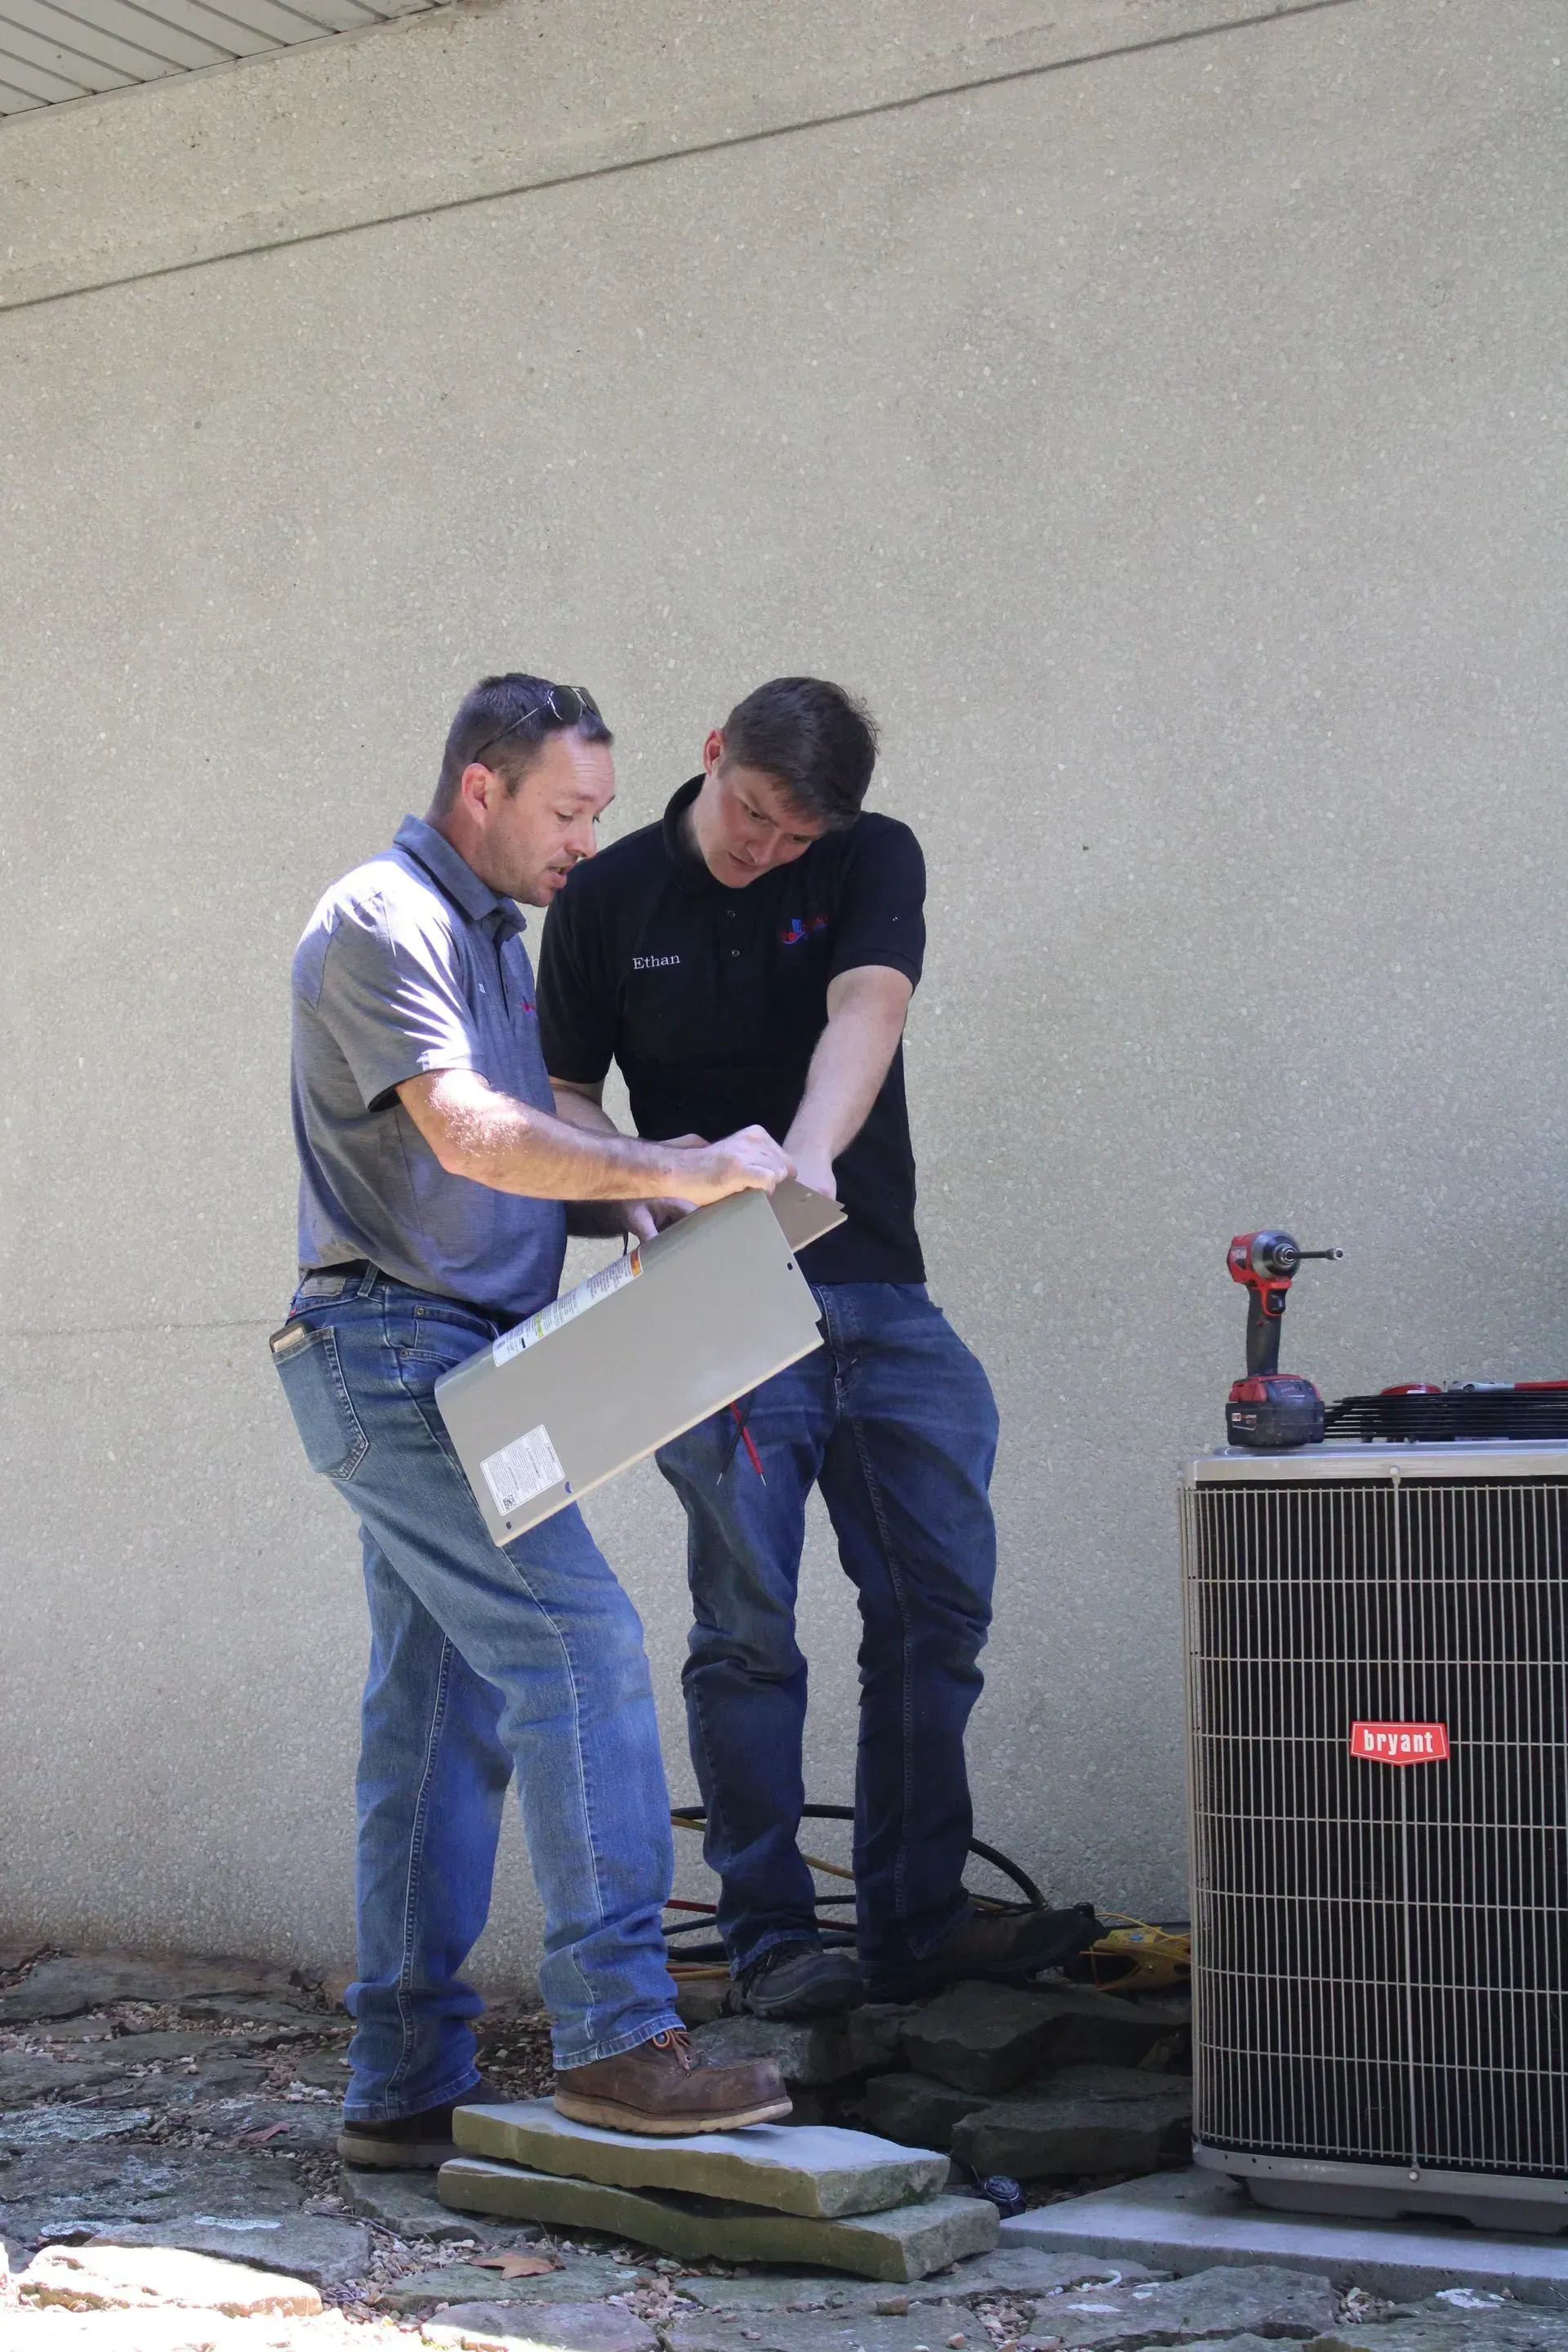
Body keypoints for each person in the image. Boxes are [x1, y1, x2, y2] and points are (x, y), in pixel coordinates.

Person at [273, 672, 795, 2162]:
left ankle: (403, 2087)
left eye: (599, 814)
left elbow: (494, 1177)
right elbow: (473, 1136)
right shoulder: (387, 918)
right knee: (580, 1646)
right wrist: (677, 1164)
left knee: (438, 1717)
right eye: (568, 813)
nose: (586, 843)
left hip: (463, 1356)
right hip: (395, 1356)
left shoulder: (495, 939)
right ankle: (623, 2037)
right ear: (481, 790)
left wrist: (637, 1198)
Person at [537, 676, 1098, 2021]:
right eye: (754, 818)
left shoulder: (869, 853)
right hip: (706, 1305)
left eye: (796, 839)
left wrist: (800, 1169)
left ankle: (913, 1921)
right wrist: (640, 1193)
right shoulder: (606, 900)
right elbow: (559, 1094)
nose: (768, 851)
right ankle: (773, 1936)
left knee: (937, 1611)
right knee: (746, 1634)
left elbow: (869, 1010)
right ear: (714, 752)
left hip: (879, 1290)